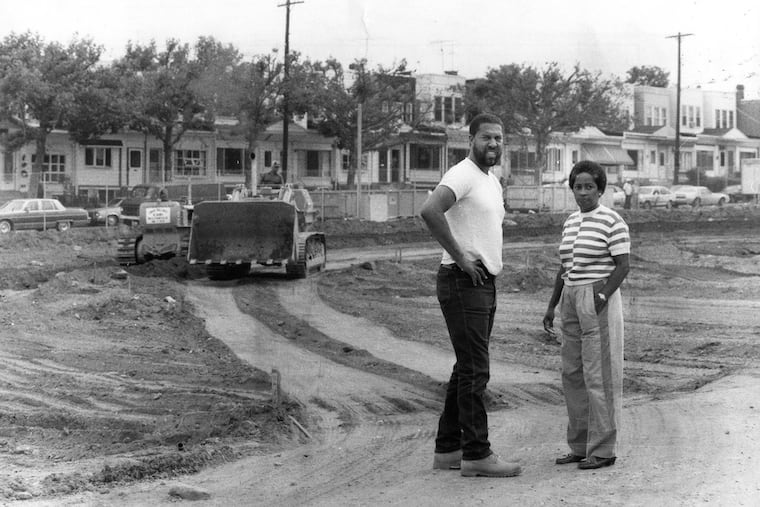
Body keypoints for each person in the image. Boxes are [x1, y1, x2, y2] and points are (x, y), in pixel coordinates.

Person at [420, 112, 522, 478]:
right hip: (463, 282)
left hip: (483, 282)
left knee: (467, 368)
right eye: (486, 138)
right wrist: (462, 257)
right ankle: (477, 454)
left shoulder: (489, 180)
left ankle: (448, 449)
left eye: (498, 138)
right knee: (476, 370)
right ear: (471, 140)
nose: (493, 144)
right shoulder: (462, 173)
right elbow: (430, 210)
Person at [543, 160, 630, 470]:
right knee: (573, 373)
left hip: (597, 296)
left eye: (589, 187)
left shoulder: (612, 220)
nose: (582, 193)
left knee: (601, 374)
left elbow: (622, 265)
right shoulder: (570, 222)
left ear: (600, 189)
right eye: (577, 187)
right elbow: (564, 267)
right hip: (570, 296)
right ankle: (579, 446)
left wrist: (603, 295)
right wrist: (551, 306)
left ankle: (604, 449)